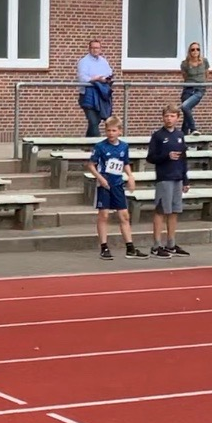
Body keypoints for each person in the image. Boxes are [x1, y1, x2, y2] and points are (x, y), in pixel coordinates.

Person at [87, 116, 146, 261]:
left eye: (114, 130)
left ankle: (130, 247)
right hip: (104, 185)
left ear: (119, 131)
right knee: (104, 215)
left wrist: (130, 176)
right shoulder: (100, 147)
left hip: (118, 184)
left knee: (124, 215)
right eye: (108, 131)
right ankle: (104, 247)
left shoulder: (123, 147)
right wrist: (100, 178)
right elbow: (90, 165)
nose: (111, 133)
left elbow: (124, 163)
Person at [146, 105, 190, 258]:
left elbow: (184, 158)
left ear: (177, 118)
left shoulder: (180, 135)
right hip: (164, 178)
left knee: (174, 211)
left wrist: (185, 180)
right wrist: (166, 156)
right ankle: (156, 245)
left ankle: (171, 243)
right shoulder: (158, 136)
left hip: (177, 177)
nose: (169, 119)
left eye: (172, 116)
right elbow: (150, 157)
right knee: (161, 211)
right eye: (166, 116)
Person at [77, 38, 113, 139]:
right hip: (88, 94)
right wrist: (96, 78)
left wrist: (104, 79)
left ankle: (87, 145)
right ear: (89, 49)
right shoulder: (84, 62)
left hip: (100, 94)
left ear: (100, 49)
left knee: (96, 121)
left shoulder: (103, 61)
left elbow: (109, 73)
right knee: (93, 120)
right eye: (93, 48)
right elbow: (82, 78)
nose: (95, 50)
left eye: (97, 48)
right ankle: (98, 144)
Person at [180, 41, 211, 135]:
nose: (195, 51)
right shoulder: (185, 64)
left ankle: (193, 129)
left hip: (199, 89)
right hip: (188, 89)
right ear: (189, 51)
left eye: (197, 49)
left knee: (185, 107)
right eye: (193, 49)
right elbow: (185, 76)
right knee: (186, 112)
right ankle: (183, 135)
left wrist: (202, 84)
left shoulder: (204, 61)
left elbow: (206, 74)